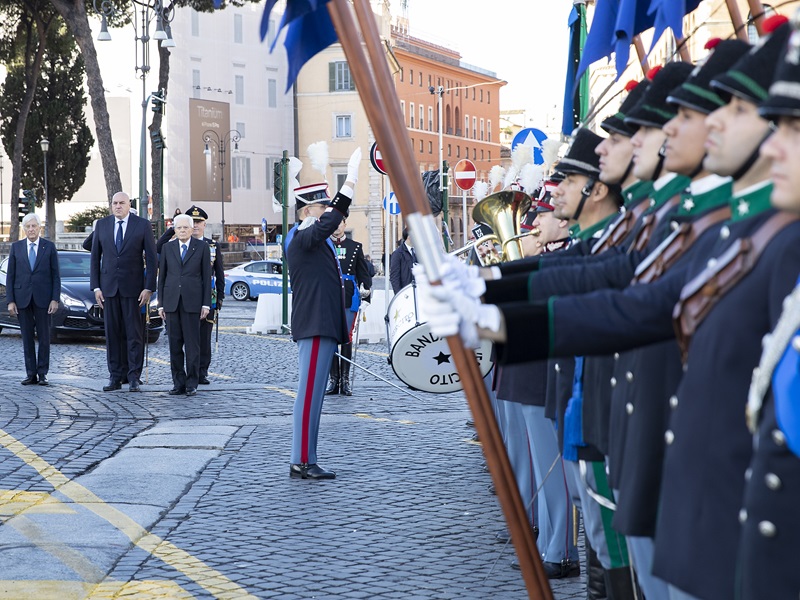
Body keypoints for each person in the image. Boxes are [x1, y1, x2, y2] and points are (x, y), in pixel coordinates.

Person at [285, 147, 360, 480]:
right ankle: (301, 459)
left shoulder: (316, 238)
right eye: (321, 207)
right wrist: (349, 187)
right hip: (315, 325)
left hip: (322, 324)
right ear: (306, 212)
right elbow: (327, 222)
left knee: (314, 398)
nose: (329, 213)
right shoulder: (303, 235)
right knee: (308, 395)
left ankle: (306, 457)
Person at [90, 191, 157, 392]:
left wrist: (148, 287)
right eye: (114, 203)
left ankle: (134, 377)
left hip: (134, 290)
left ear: (129, 205)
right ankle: (115, 377)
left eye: (122, 203)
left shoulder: (142, 225)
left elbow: (152, 259)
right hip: (109, 290)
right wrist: (96, 287)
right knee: (112, 334)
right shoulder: (102, 225)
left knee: (134, 334)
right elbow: (95, 258)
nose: (118, 206)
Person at [157, 205, 224, 385]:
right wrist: (161, 304)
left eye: (187, 226)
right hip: (172, 303)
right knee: (175, 345)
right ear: (174, 229)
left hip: (194, 303)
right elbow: (162, 278)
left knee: (195, 344)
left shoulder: (204, 247)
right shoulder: (167, 248)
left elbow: (208, 276)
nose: (184, 230)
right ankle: (178, 383)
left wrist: (210, 303)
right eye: (179, 227)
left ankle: (194, 380)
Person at [6, 213, 60, 386]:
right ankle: (31, 374)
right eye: (28, 227)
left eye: (34, 226)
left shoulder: (49, 247)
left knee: (44, 338)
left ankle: (43, 373)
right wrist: (11, 301)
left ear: (39, 228)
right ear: (24, 229)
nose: (31, 229)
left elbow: (56, 275)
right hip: (22, 299)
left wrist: (55, 299)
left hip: (44, 299)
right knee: (27, 338)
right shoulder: (16, 247)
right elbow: (11, 276)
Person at [326, 215, 372, 396]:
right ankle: (333, 379)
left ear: (345, 224)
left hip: (348, 296)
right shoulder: (323, 246)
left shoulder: (355, 247)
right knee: (330, 339)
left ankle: (345, 379)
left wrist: (366, 295)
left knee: (346, 338)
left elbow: (364, 273)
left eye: (340, 223)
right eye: (334, 224)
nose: (337, 227)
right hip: (328, 297)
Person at [389, 227, 416, 293]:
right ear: (409, 236)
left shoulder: (420, 252)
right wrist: (399, 294)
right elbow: (394, 277)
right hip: (405, 292)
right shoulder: (398, 254)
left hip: (420, 292)